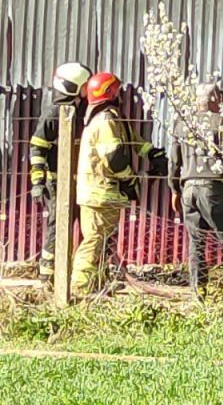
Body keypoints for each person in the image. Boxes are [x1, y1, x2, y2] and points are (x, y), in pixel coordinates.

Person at [70, 71, 166, 296]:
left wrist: (153, 153)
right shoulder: (106, 121)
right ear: (109, 92)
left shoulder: (111, 118)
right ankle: (80, 289)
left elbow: (133, 140)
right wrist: (130, 178)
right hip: (99, 193)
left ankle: (98, 284)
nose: (120, 94)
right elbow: (113, 158)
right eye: (117, 90)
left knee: (103, 242)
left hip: (104, 194)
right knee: (94, 241)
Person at [167, 84, 223, 298]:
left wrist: (174, 189)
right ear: (214, 99)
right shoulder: (220, 121)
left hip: (188, 189)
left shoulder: (181, 124)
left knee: (196, 240)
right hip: (212, 189)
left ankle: (199, 289)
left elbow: (174, 161)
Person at [27, 62, 93, 281]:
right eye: (85, 85)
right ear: (75, 87)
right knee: (59, 227)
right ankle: (47, 276)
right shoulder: (54, 113)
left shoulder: (79, 110)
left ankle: (71, 272)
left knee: (75, 224)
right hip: (57, 183)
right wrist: (37, 182)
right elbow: (37, 148)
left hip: (78, 181)